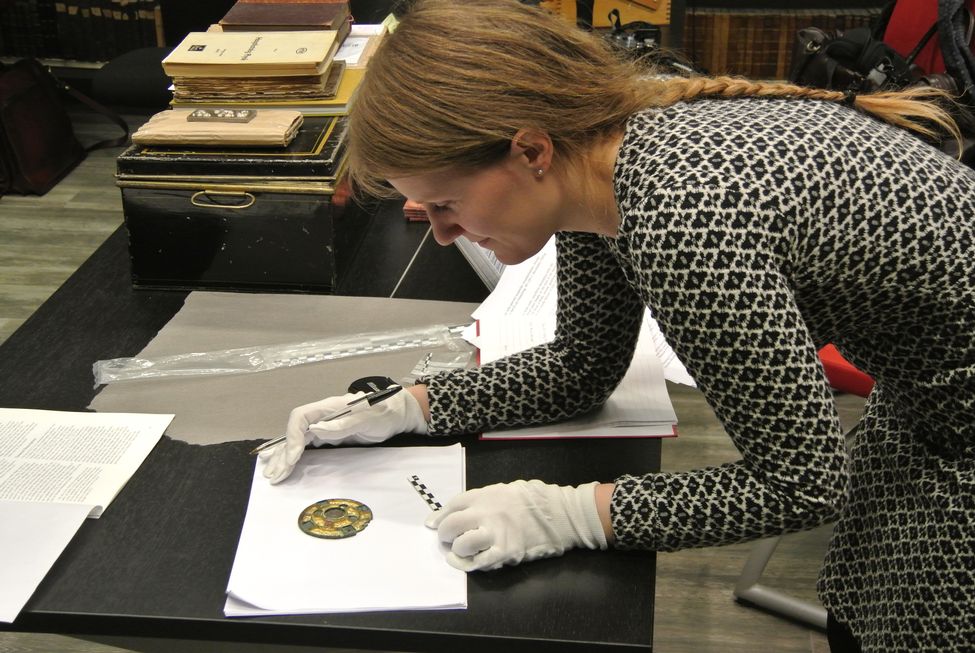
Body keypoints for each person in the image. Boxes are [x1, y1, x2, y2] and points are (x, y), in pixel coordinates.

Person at [259, 0, 975, 650]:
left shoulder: (682, 211)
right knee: (862, 614)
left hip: (957, 435)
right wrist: (408, 406)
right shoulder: (599, 160)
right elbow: (581, 364)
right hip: (923, 412)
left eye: (445, 204)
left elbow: (802, 482)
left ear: (528, 151)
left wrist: (570, 514)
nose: (440, 234)